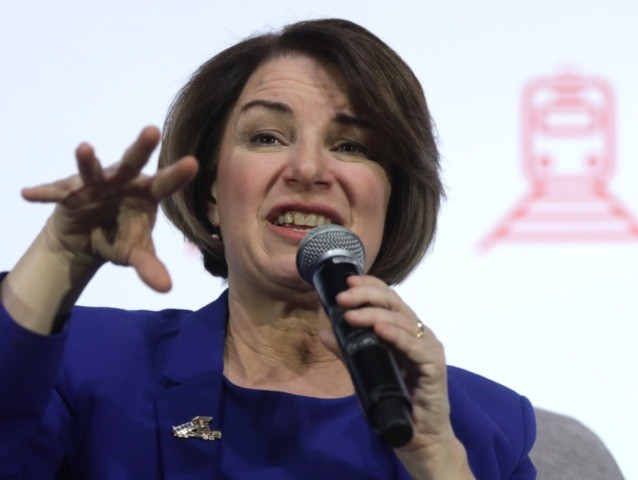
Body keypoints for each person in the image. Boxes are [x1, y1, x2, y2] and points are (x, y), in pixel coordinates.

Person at [0, 18, 536, 479]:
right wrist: (59, 254)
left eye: (350, 146)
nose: (307, 170)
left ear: (393, 200)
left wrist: (438, 457)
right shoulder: (92, 370)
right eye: (266, 137)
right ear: (212, 192)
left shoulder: (485, 427)